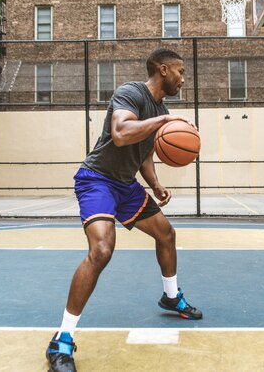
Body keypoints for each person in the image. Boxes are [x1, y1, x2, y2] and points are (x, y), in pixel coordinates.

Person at [46, 47, 203, 372]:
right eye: (180, 71)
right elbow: (120, 134)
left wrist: (156, 184)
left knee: (166, 235)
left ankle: (170, 297)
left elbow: (143, 152)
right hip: (97, 180)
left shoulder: (160, 108)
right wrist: (163, 120)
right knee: (102, 249)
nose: (183, 79)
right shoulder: (131, 93)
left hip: (125, 185)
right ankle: (61, 340)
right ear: (162, 69)